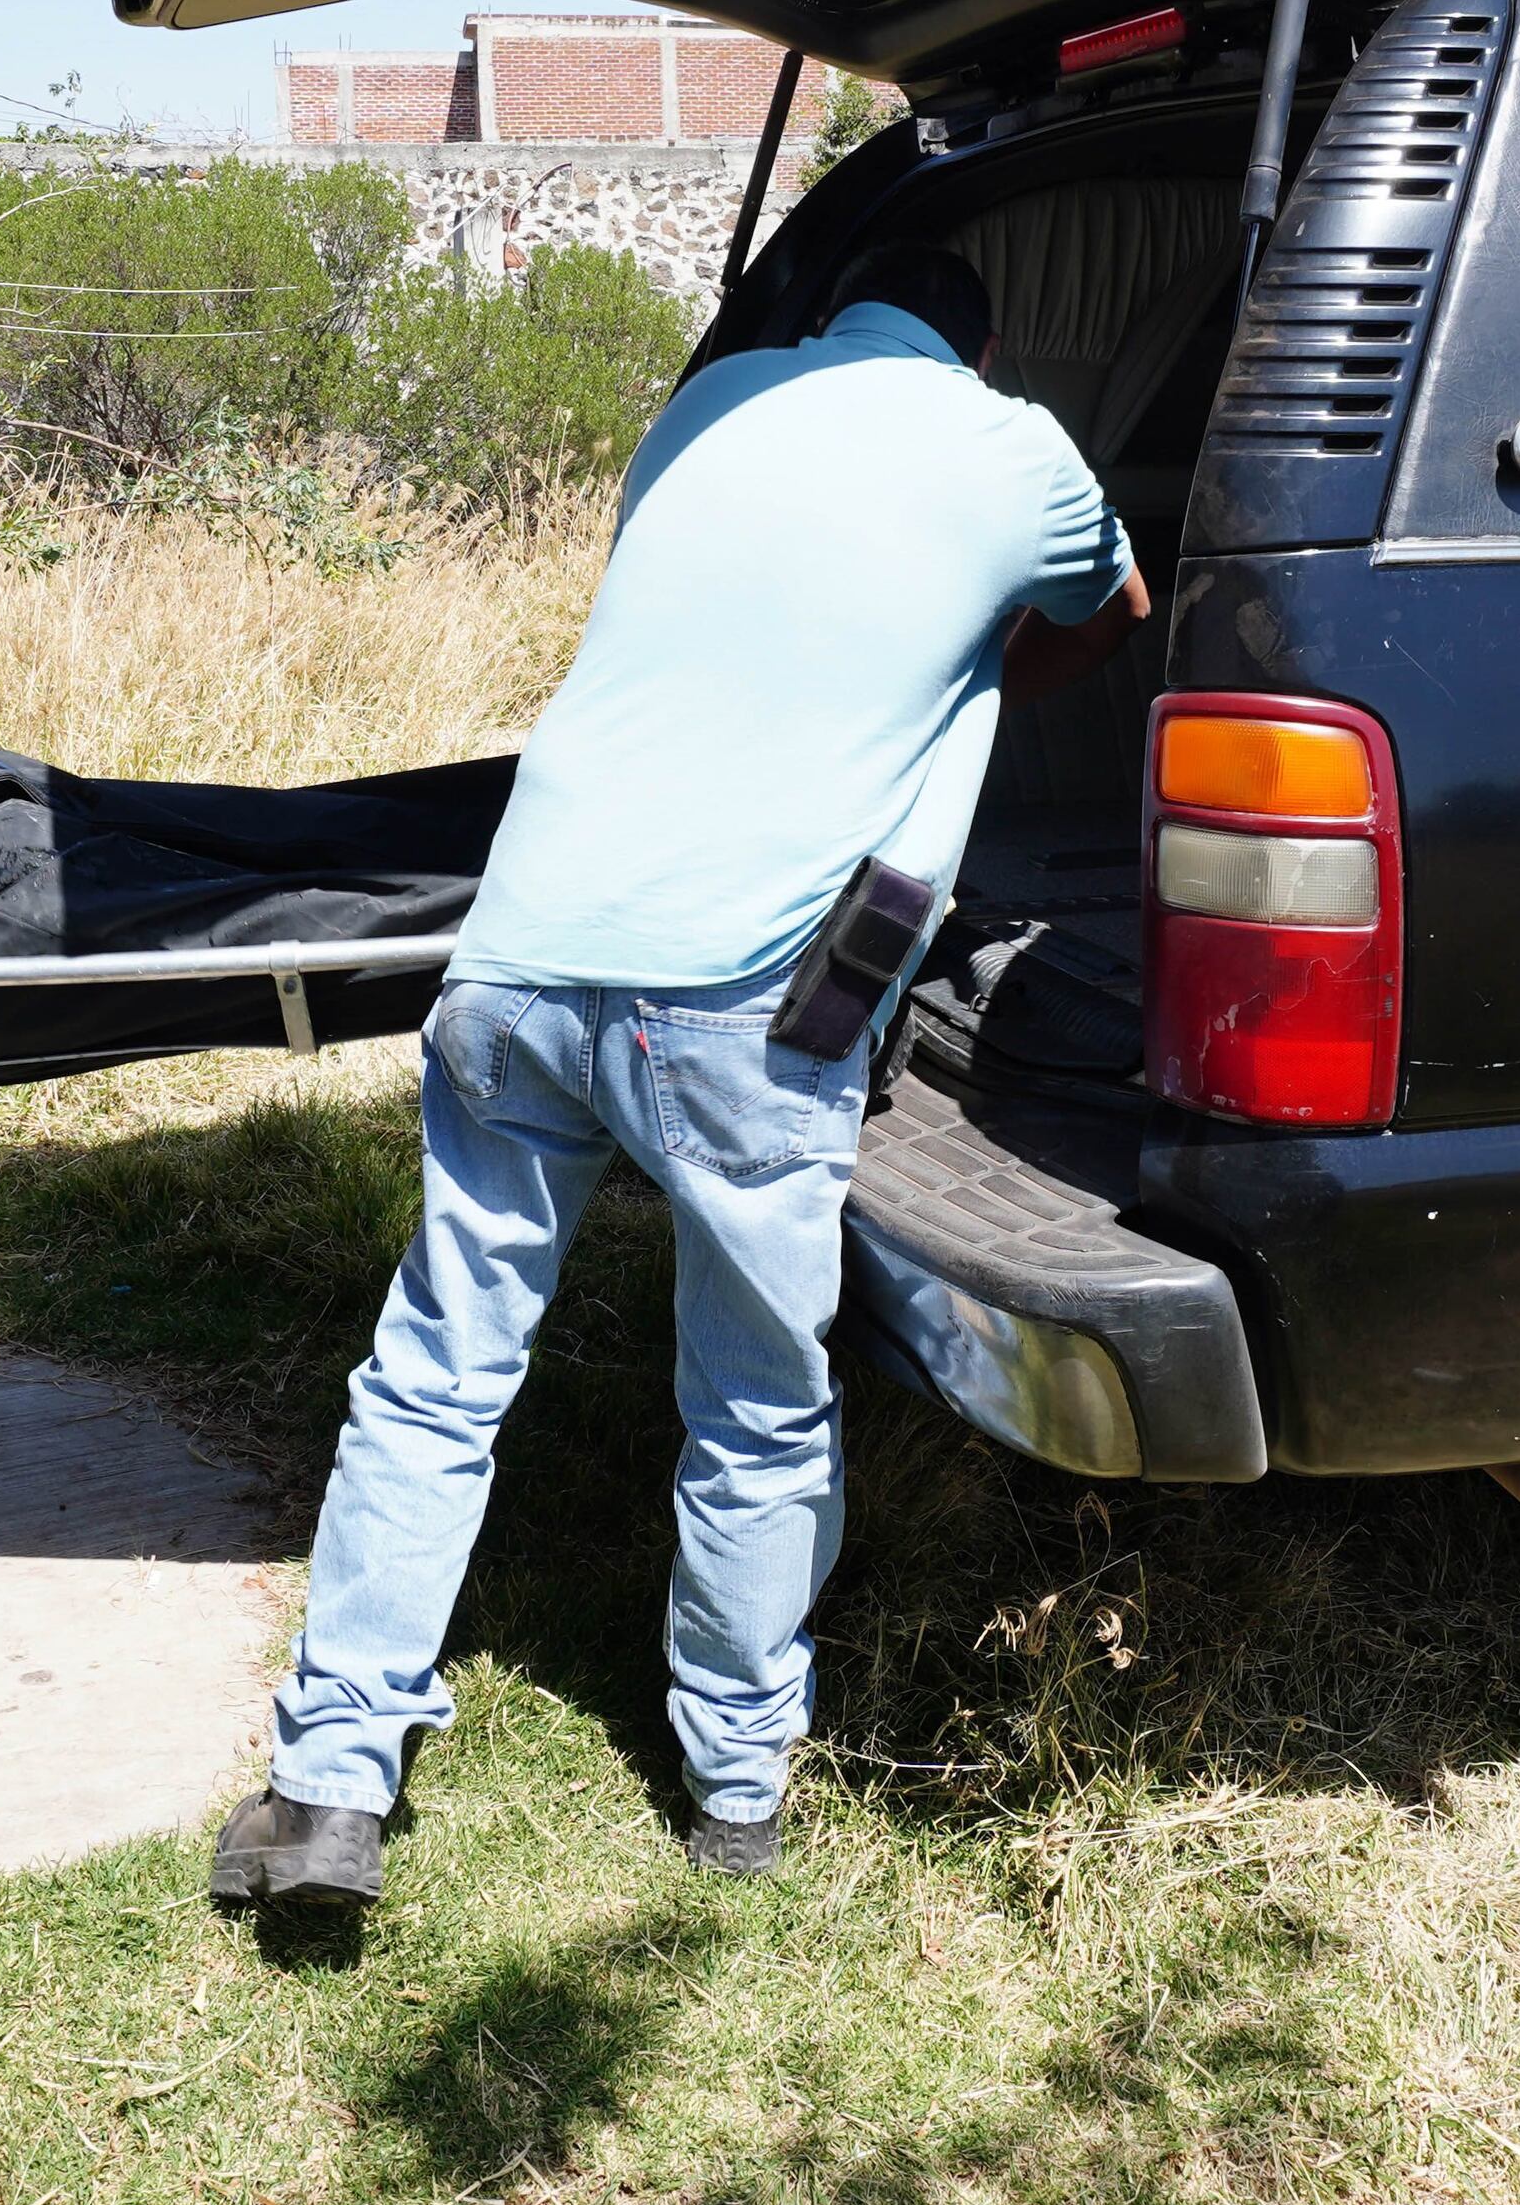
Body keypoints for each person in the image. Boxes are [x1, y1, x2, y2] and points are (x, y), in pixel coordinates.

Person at [214, 239, 1148, 1906]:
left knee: (435, 1369)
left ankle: (327, 1783)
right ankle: (734, 1789)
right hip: (744, 1003)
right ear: (986, 344)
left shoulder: (708, 404)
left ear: (827, 319)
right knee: (755, 1403)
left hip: (519, 955)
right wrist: (980, 655)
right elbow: (1123, 610)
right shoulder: (1014, 452)